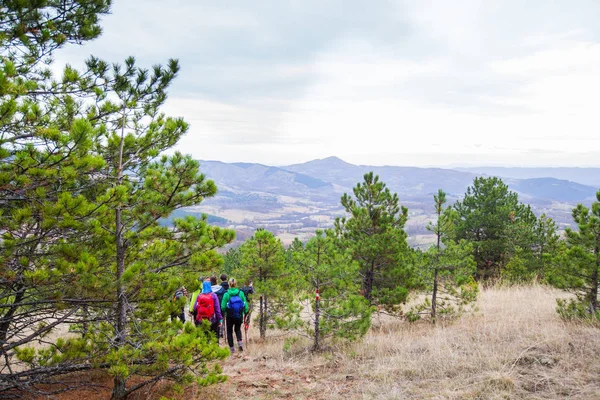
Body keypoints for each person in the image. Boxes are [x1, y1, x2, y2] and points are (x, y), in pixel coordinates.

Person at [221, 278, 249, 353]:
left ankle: (232, 349)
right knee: (237, 329)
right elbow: (245, 304)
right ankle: (240, 344)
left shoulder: (226, 294)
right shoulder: (241, 293)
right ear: (236, 284)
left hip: (229, 316)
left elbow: (223, 307)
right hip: (239, 315)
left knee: (229, 331)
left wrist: (224, 312)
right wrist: (245, 312)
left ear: (229, 284)